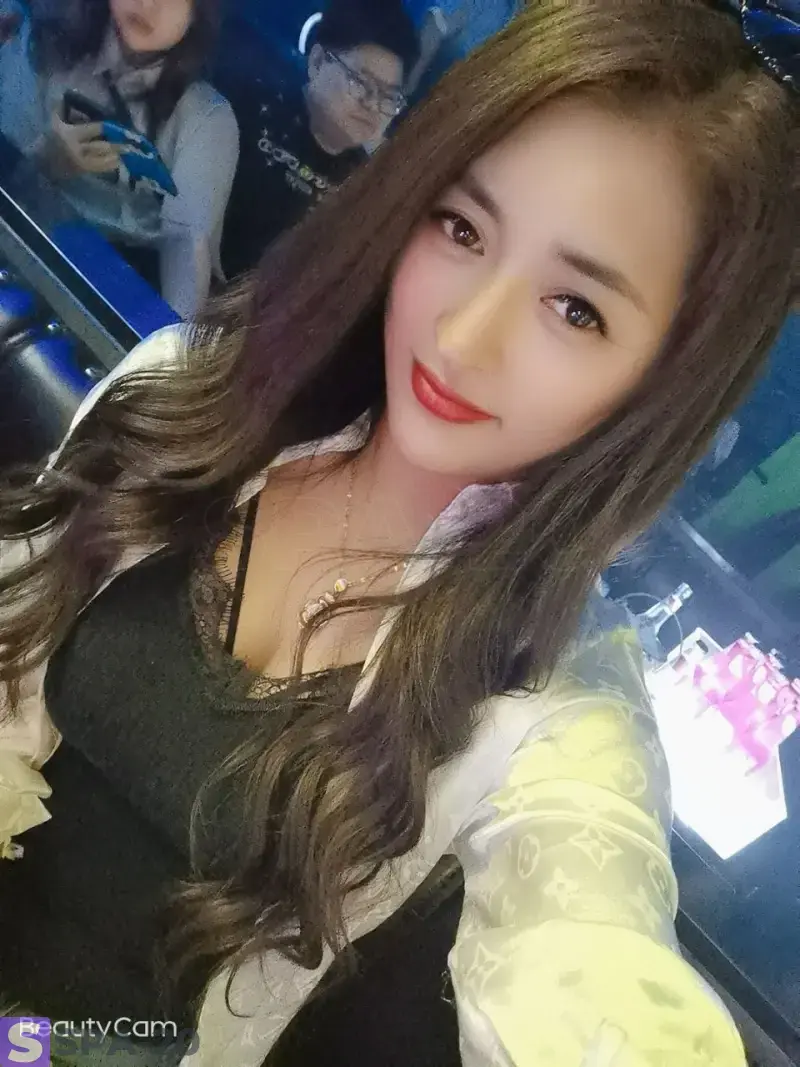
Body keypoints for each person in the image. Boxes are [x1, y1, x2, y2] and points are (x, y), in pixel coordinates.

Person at [0, 2, 797, 1065]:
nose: (463, 335)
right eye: (462, 228)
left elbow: (592, 972)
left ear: (664, 383)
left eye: (575, 309)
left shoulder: (549, 716)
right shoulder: (184, 397)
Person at [0, 0, 239, 319]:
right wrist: (46, 161)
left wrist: (170, 343)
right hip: (18, 248)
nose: (148, 4)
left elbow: (186, 246)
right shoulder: (41, 43)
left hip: (119, 297)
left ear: (201, 12)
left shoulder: (206, 117)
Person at [220, 0, 419, 279]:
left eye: (388, 96)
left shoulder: (368, 187)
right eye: (361, 82)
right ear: (317, 62)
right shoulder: (243, 110)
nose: (372, 104)